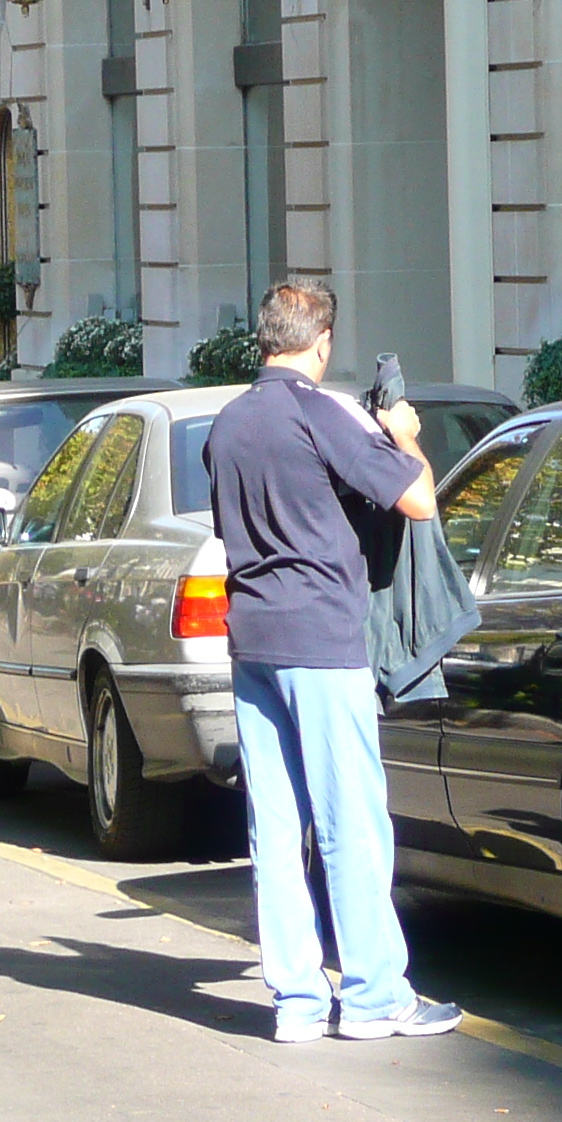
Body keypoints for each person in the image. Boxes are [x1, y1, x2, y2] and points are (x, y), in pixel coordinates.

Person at [203, 278, 459, 1045]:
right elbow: (419, 500)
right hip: (323, 641)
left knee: (275, 831)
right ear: (321, 344)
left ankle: (297, 1005)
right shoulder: (321, 413)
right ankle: (376, 997)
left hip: (253, 640)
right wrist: (402, 431)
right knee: (350, 821)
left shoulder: (227, 424)